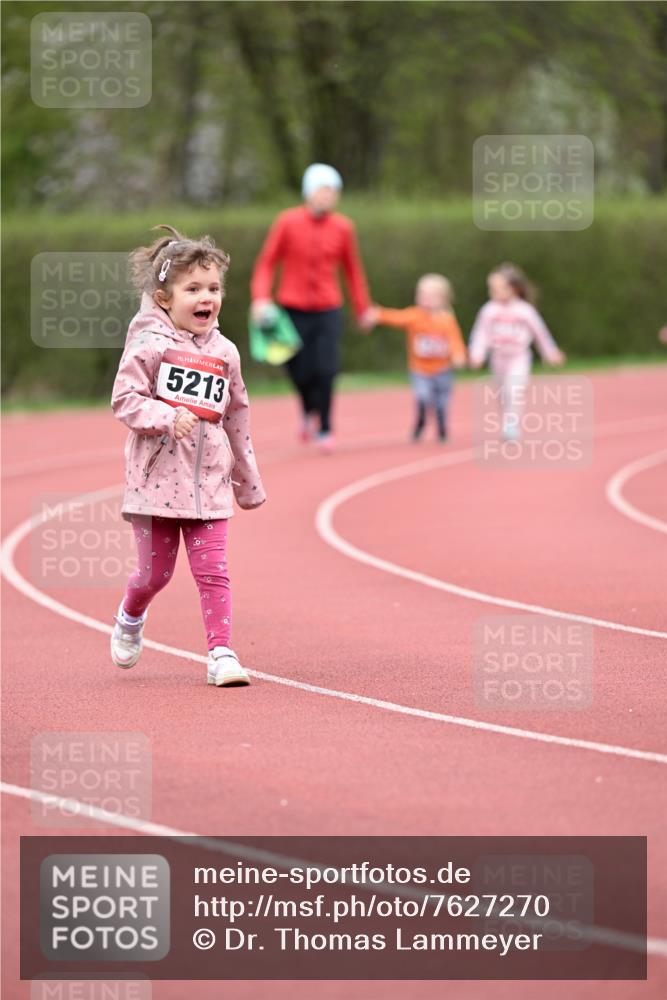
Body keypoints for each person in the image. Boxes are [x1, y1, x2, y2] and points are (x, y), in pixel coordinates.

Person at [110, 225, 266, 687]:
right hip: (157, 482)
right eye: (193, 288)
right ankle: (130, 616)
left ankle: (221, 654)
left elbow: (237, 416)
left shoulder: (226, 352)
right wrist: (163, 415)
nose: (207, 297)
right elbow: (124, 399)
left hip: (210, 482)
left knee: (213, 572)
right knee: (153, 575)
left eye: (214, 288)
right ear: (163, 298)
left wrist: (247, 480)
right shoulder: (148, 344)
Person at [250, 163, 374, 453]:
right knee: (300, 370)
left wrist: (362, 308)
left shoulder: (343, 227)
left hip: (328, 307)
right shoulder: (287, 222)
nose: (328, 196)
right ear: (309, 192)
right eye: (323, 189)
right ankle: (308, 410)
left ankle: (326, 427)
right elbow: (266, 263)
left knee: (327, 369)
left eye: (333, 191)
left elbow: (353, 270)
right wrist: (260, 298)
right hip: (292, 308)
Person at [362, 274, 466, 441]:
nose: (424, 299)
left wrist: (458, 355)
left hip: (442, 370)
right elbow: (396, 317)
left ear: (442, 298)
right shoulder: (415, 315)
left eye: (429, 296)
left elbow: (455, 340)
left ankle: (442, 427)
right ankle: (421, 420)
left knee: (441, 402)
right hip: (420, 369)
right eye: (421, 294)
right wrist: (378, 314)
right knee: (423, 397)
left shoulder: (447, 320)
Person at [468, 262, 565, 440]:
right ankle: (507, 419)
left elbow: (540, 333)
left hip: (518, 357)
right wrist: (477, 353)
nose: (494, 293)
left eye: (498, 288)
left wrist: (550, 352)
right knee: (502, 394)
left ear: (513, 288)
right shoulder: (489, 310)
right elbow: (480, 333)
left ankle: (512, 425)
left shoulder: (525, 310)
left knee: (515, 390)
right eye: (492, 289)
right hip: (498, 359)